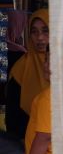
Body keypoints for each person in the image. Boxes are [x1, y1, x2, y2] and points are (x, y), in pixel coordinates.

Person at [5, 10, 49, 142]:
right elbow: (13, 118)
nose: (40, 37)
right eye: (34, 32)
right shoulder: (20, 69)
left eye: (45, 30)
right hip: (28, 144)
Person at [24, 55, 51, 154]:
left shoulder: (49, 97)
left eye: (51, 61)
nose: (45, 65)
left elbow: (44, 136)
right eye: (46, 60)